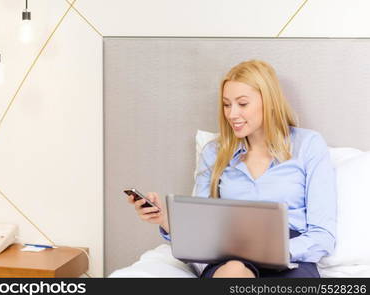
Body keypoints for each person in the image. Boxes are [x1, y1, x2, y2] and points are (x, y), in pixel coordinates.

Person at [127, 59, 337, 278]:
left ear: (270, 101)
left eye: (242, 104)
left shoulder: (308, 145)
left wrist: (276, 252)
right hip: (230, 256)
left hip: (291, 255)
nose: (232, 114)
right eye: (227, 104)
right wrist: (163, 219)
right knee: (233, 271)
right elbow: (199, 232)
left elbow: (323, 235)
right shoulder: (215, 152)